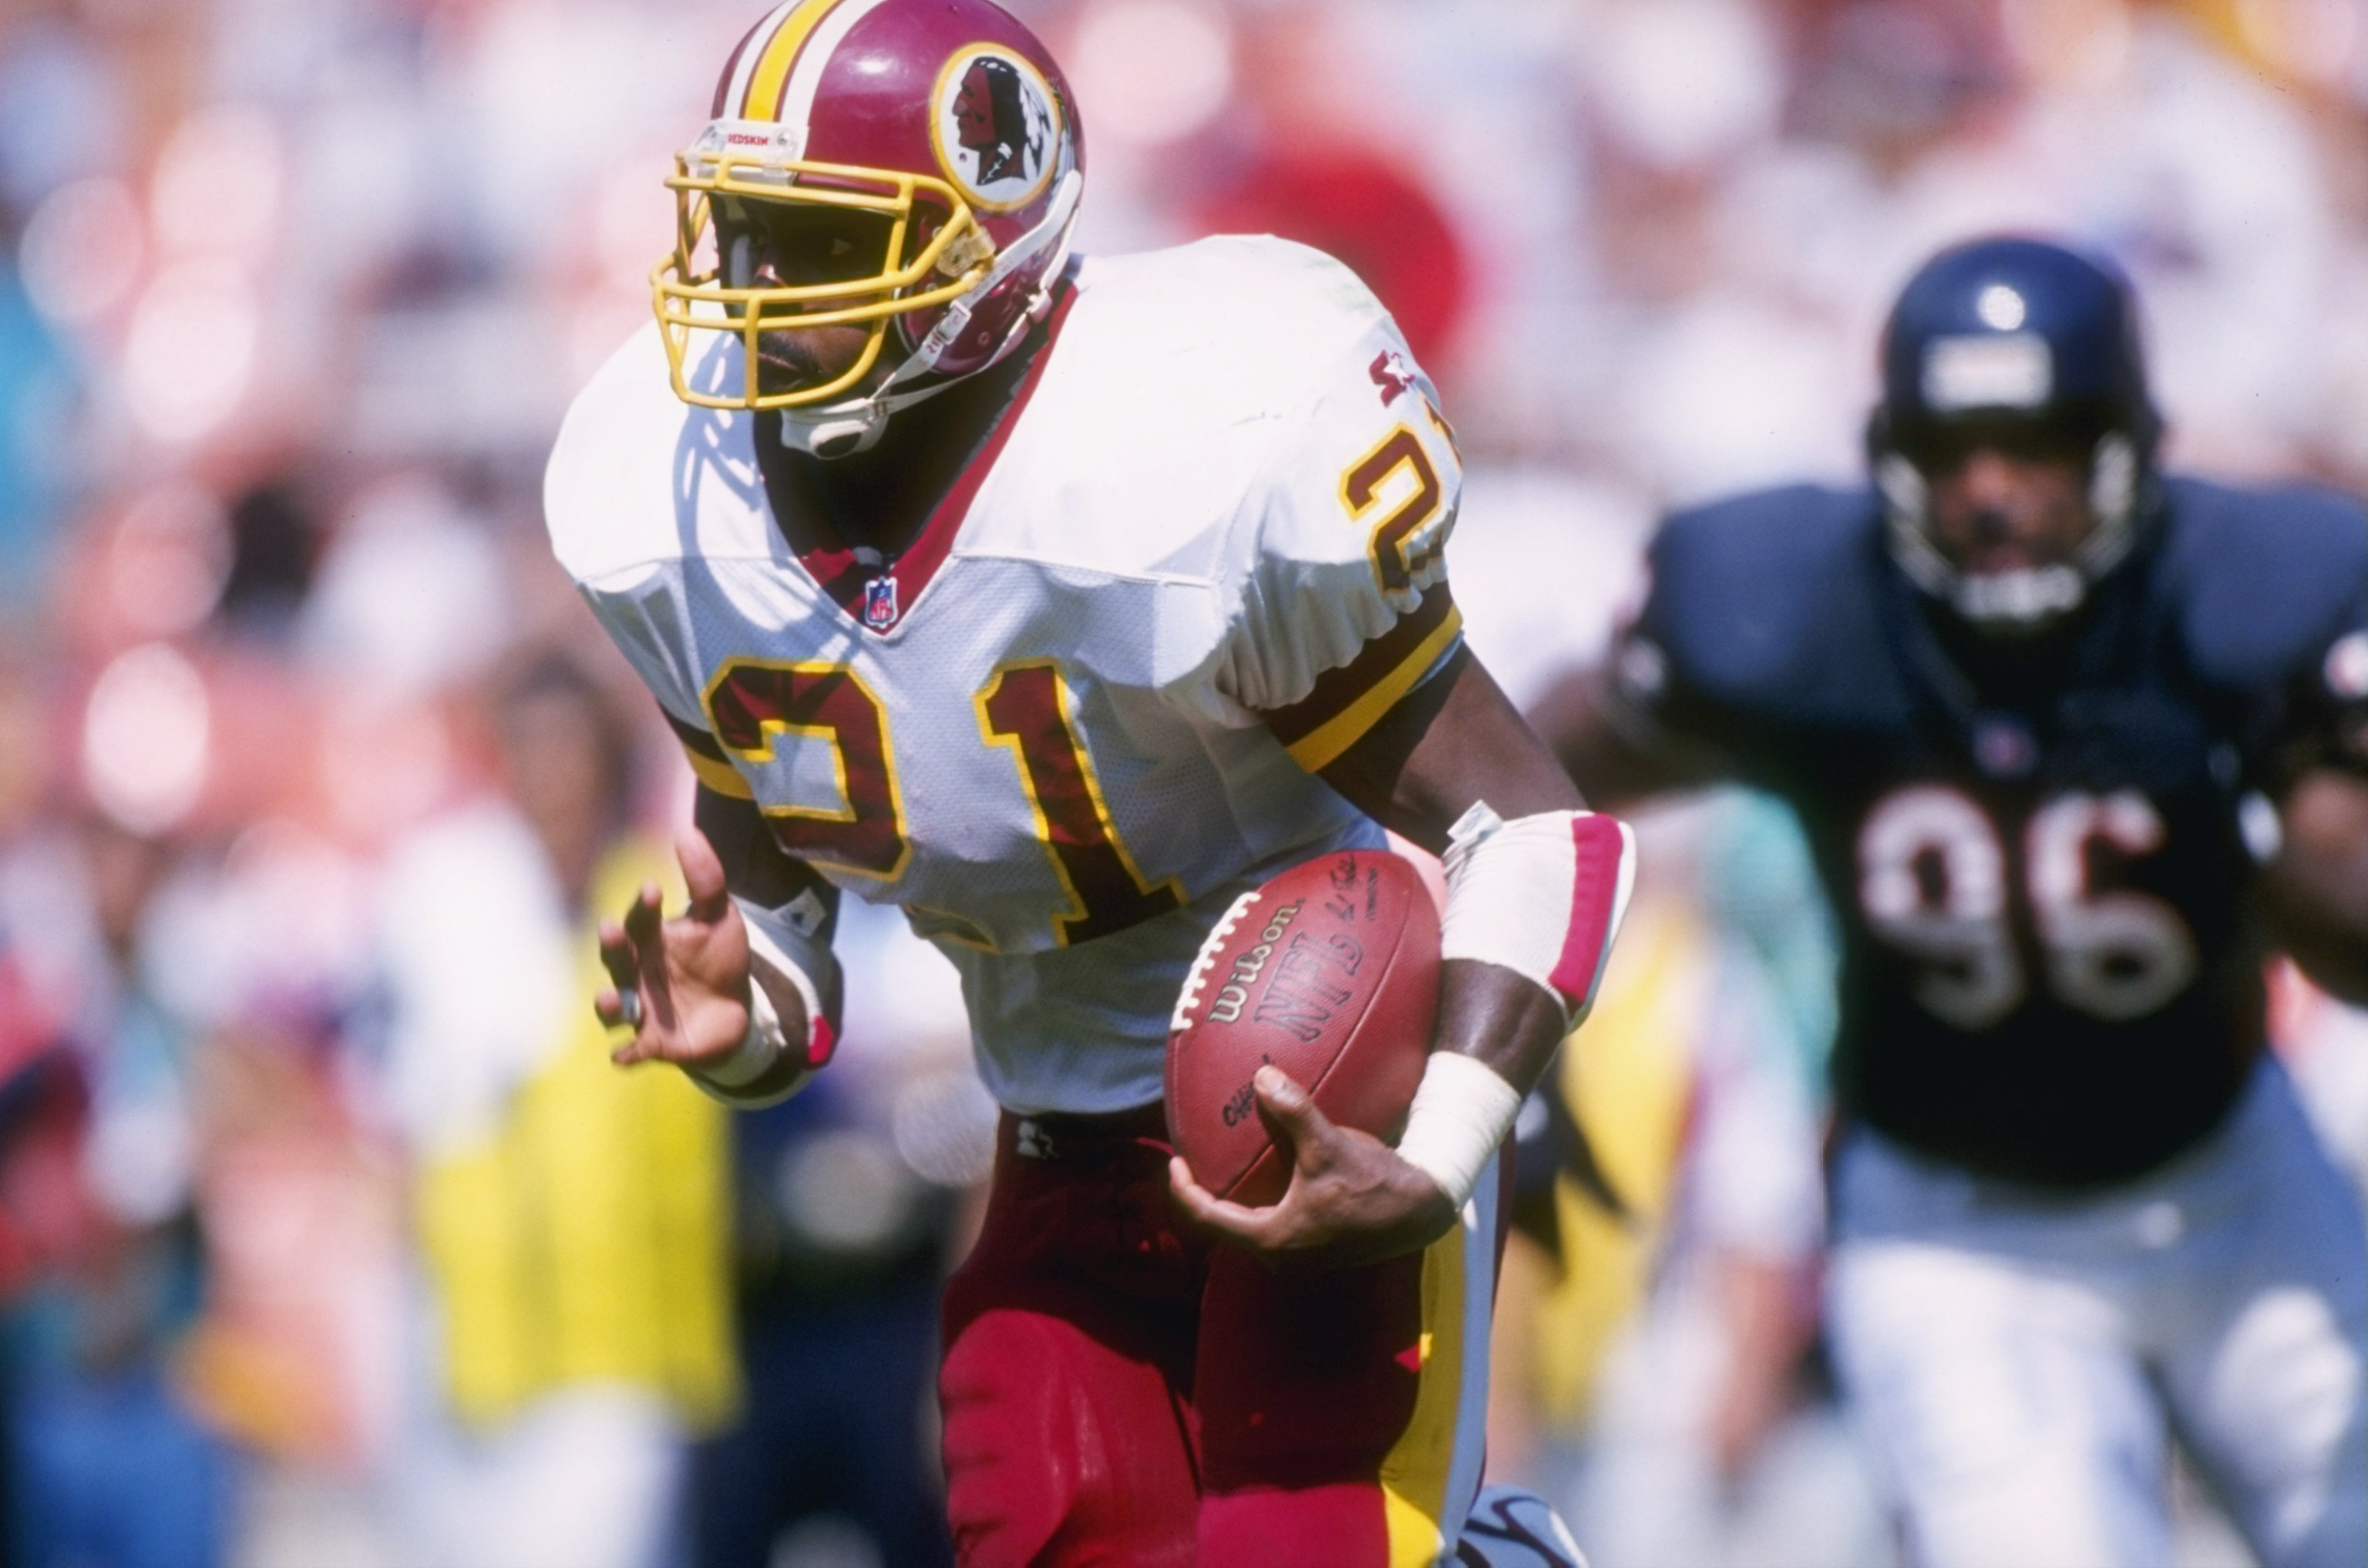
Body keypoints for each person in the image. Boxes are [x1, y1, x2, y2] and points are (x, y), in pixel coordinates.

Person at [541, 2, 1628, 1562]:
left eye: (821, 242)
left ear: (989, 252)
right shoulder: (663, 498)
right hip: (1047, 1158)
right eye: (752, 235)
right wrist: (749, 1013)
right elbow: (778, 934)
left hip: (1316, 1120)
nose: (762, 294)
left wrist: (1441, 1147)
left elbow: (1534, 833)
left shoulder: (1196, 447)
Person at [1531, 234, 2368, 1568]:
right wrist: (1498, 1050)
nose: (1992, 496)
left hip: (2229, 1169)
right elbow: (1530, 778)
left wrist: (2297, 823)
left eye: (2035, 447)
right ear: (1892, 452)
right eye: (1956, 449)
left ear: (2127, 445)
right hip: (1952, 1224)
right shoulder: (1789, 605)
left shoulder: (2255, 593)